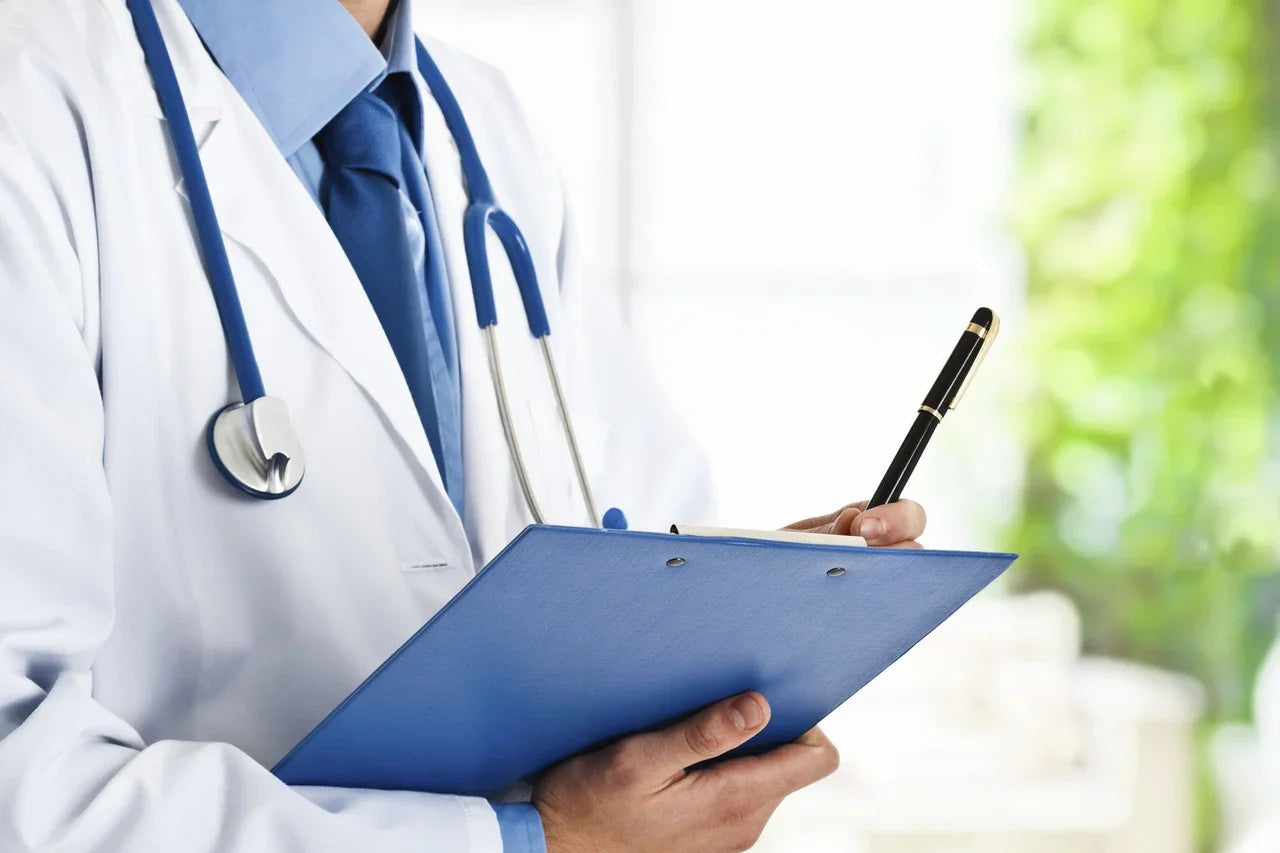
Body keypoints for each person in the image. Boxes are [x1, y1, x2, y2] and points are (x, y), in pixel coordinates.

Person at [0, 0, 927, 850]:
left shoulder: (484, 124)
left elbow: (620, 533)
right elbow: (17, 776)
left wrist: (744, 620)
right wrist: (533, 841)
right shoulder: (34, 103)